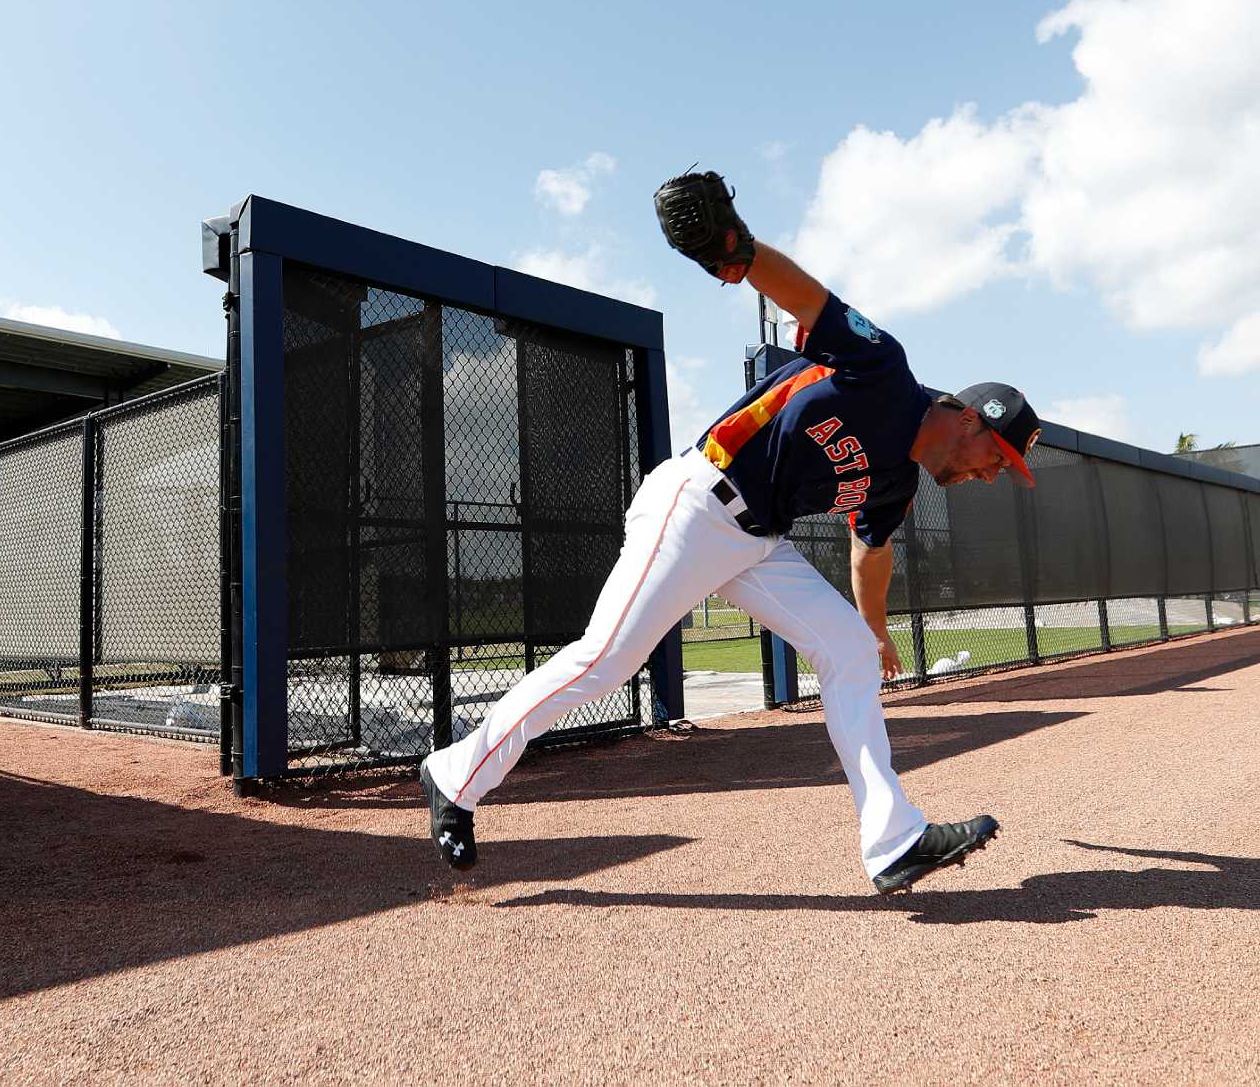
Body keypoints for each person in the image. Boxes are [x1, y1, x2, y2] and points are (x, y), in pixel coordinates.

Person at [419, 171, 1043, 894]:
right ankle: (455, 773)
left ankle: (894, 840)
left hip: (754, 542)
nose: (991, 475)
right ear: (970, 419)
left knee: (846, 651)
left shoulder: (898, 483)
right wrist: (738, 254)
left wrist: (871, 629)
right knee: (604, 664)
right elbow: (810, 299)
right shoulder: (884, 373)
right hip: (695, 503)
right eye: (996, 459)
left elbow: (870, 550)